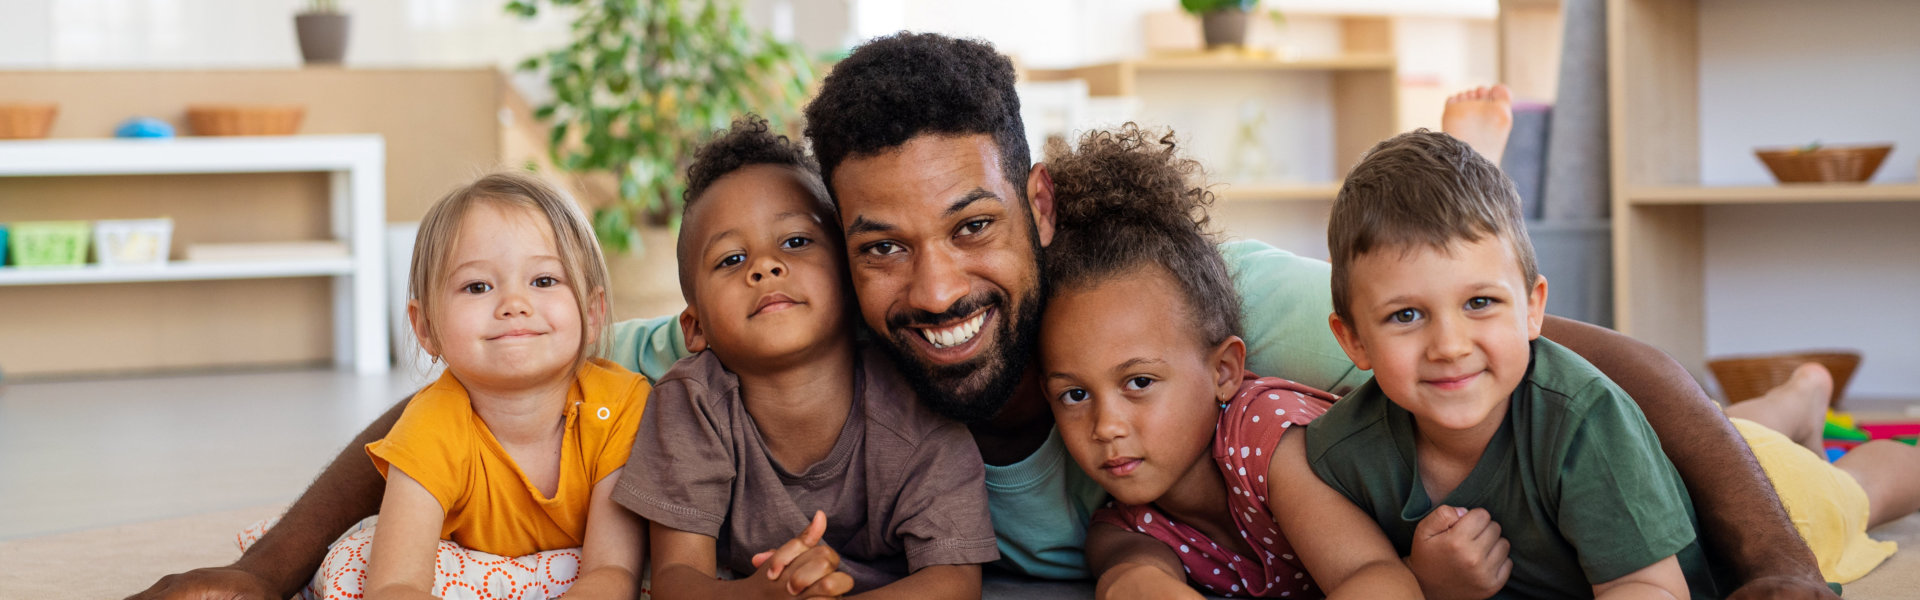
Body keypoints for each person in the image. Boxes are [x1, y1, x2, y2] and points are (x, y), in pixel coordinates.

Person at [131, 33, 1838, 600]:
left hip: (1575, 494)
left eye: (966, 229)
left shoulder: (1198, 313)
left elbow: (1596, 358)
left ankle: (1816, 430)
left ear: (1031, 206)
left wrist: (1768, 573)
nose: (931, 287)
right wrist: (269, 570)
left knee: (1817, 479)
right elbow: (487, 387)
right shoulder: (786, 338)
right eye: (878, 248)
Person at [1310, 129, 1717, 599]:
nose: (1450, 346)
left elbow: (1650, 588)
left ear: (1532, 308)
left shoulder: (1583, 419)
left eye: (1479, 302)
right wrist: (1421, 579)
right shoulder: (1339, 454)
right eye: (1406, 315)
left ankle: (1792, 403)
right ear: (1353, 339)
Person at [618, 116, 998, 599]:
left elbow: (953, 582)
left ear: (852, 276)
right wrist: (761, 596)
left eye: (796, 242)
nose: (765, 266)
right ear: (695, 328)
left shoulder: (917, 401)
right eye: (731, 259)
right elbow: (677, 583)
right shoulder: (692, 406)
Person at [1037, 124, 1420, 598]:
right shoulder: (1125, 525)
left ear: (1223, 372)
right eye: (1074, 394)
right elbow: (1131, 576)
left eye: (1138, 382)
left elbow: (1376, 579)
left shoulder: (1264, 439)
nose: (1106, 426)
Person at [362, 172, 647, 598]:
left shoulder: (621, 406)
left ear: (593, 312)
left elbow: (612, 571)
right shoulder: (430, 426)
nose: (514, 304)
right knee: (351, 564)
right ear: (425, 328)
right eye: (477, 287)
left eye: (544, 281)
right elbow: (395, 584)